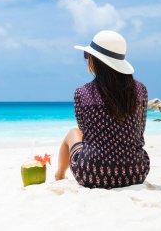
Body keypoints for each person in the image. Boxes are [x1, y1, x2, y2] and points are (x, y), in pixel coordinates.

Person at [55, 30, 150, 189]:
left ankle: (59, 175)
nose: (87, 60)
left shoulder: (82, 93)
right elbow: (140, 130)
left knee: (73, 133)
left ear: (97, 61)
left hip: (93, 173)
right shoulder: (140, 90)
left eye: (88, 56)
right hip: (136, 171)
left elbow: (85, 132)